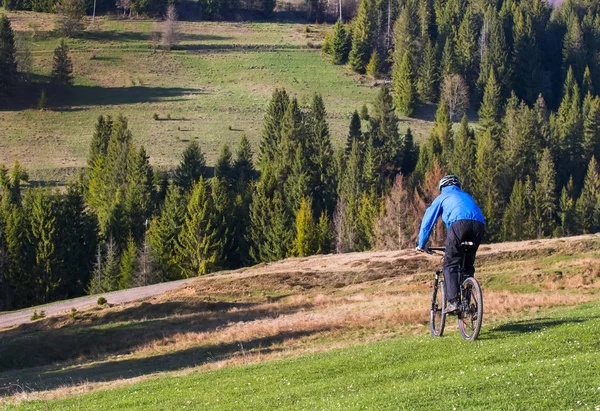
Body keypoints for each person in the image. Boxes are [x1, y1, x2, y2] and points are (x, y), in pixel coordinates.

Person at [416, 175, 485, 314]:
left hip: (459, 225)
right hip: (479, 225)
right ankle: (466, 301)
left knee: (450, 263)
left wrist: (421, 244)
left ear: (442, 187)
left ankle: (453, 302)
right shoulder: (466, 196)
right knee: (467, 265)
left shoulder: (443, 196)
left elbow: (428, 221)